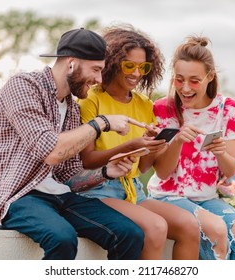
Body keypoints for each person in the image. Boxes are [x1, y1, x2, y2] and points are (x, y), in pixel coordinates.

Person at [0, 28, 145, 260]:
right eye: (96, 69)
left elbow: (68, 174)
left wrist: (106, 172)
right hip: (17, 197)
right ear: (72, 63)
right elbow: (52, 151)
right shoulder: (22, 87)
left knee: (130, 233)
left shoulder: (72, 108)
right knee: (62, 238)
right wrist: (101, 123)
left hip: (59, 195)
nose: (99, 79)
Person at [75, 25, 200, 260]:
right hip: (97, 190)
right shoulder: (91, 100)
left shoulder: (144, 104)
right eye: (129, 65)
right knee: (155, 227)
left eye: (143, 67)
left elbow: (143, 167)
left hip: (132, 190)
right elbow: (87, 160)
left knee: (189, 225)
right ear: (112, 62)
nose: (136, 73)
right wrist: (131, 145)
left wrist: (153, 144)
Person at [146, 35, 235, 260]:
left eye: (194, 80)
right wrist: (177, 141)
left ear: (210, 77)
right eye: (179, 80)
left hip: (207, 198)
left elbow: (230, 172)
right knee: (216, 230)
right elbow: (161, 172)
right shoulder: (162, 109)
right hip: (168, 196)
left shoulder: (228, 109)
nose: (185, 88)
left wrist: (220, 152)